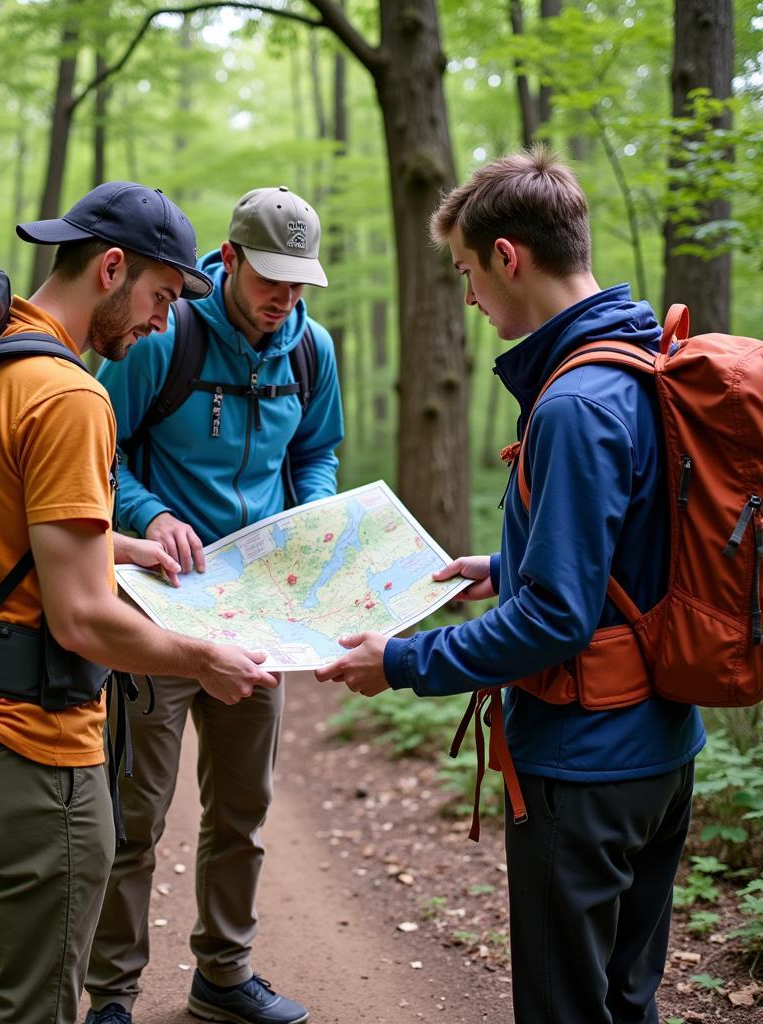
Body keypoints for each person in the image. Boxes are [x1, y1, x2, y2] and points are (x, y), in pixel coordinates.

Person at [315, 149, 705, 1024]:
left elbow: (558, 619)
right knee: (626, 999)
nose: (467, 296)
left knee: (568, 1008)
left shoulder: (574, 403)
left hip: (584, 762)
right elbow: (633, 551)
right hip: (664, 749)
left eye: (465, 271)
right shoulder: (646, 360)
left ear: (507, 257)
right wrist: (501, 568)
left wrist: (403, 660)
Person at [0, 181, 278, 1024]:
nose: (161, 321)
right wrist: (203, 656)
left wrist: (124, 543)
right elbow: (81, 618)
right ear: (111, 268)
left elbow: (4, 523)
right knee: (33, 1002)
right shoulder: (73, 398)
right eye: (158, 295)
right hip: (33, 749)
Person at [85, 186, 344, 1024]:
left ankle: (223, 978)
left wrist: (311, 516)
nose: (284, 299)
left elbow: (317, 452)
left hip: (262, 617)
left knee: (243, 810)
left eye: (299, 285)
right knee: (135, 814)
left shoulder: (313, 353)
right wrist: (150, 514)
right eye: (271, 278)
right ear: (227, 260)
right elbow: (97, 450)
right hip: (159, 612)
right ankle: (113, 996)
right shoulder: (165, 334)